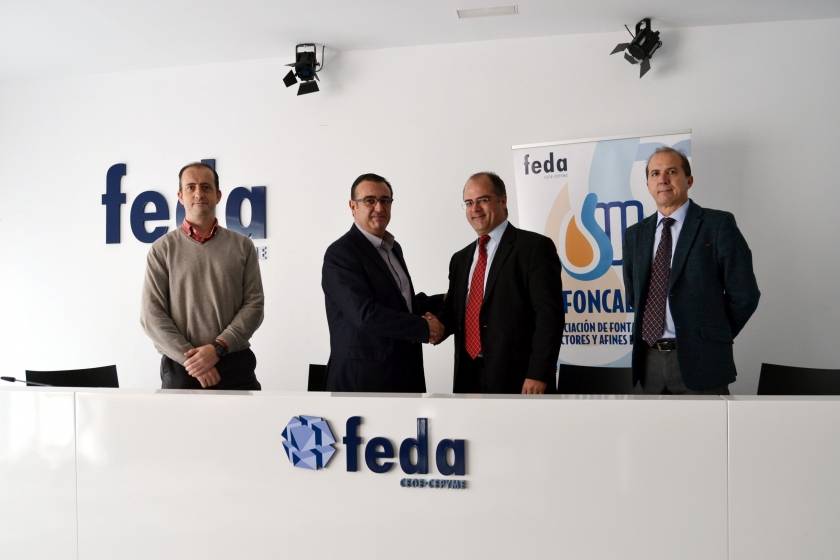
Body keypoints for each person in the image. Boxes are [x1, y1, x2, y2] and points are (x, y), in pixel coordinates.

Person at [622, 147, 760, 394]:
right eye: (655, 173)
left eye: (672, 172)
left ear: (689, 180)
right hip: (648, 363)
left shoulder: (718, 225)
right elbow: (634, 295)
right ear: (648, 184)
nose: (663, 180)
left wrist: (713, 336)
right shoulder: (635, 235)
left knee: (707, 422)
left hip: (702, 361)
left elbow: (745, 294)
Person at [438, 172, 564, 394]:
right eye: (469, 203)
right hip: (468, 377)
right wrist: (426, 324)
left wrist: (538, 373)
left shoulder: (534, 248)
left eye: (483, 200)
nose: (475, 209)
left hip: (520, 380)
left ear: (503, 201)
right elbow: (455, 312)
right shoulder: (460, 259)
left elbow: (549, 317)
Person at [141, 162, 264, 390]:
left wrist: (217, 349)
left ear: (218, 195)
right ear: (180, 196)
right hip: (182, 369)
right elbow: (152, 315)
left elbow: (254, 305)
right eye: (191, 187)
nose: (199, 194)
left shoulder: (243, 246)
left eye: (206, 187)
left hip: (234, 364)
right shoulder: (161, 250)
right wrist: (194, 361)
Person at [321, 173, 444, 392]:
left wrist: (452, 298)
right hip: (364, 383)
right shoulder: (340, 254)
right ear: (353, 206)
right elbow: (365, 314)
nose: (379, 208)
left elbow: (402, 306)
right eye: (370, 200)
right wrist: (424, 328)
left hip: (405, 376)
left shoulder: (393, 248)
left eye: (385, 200)